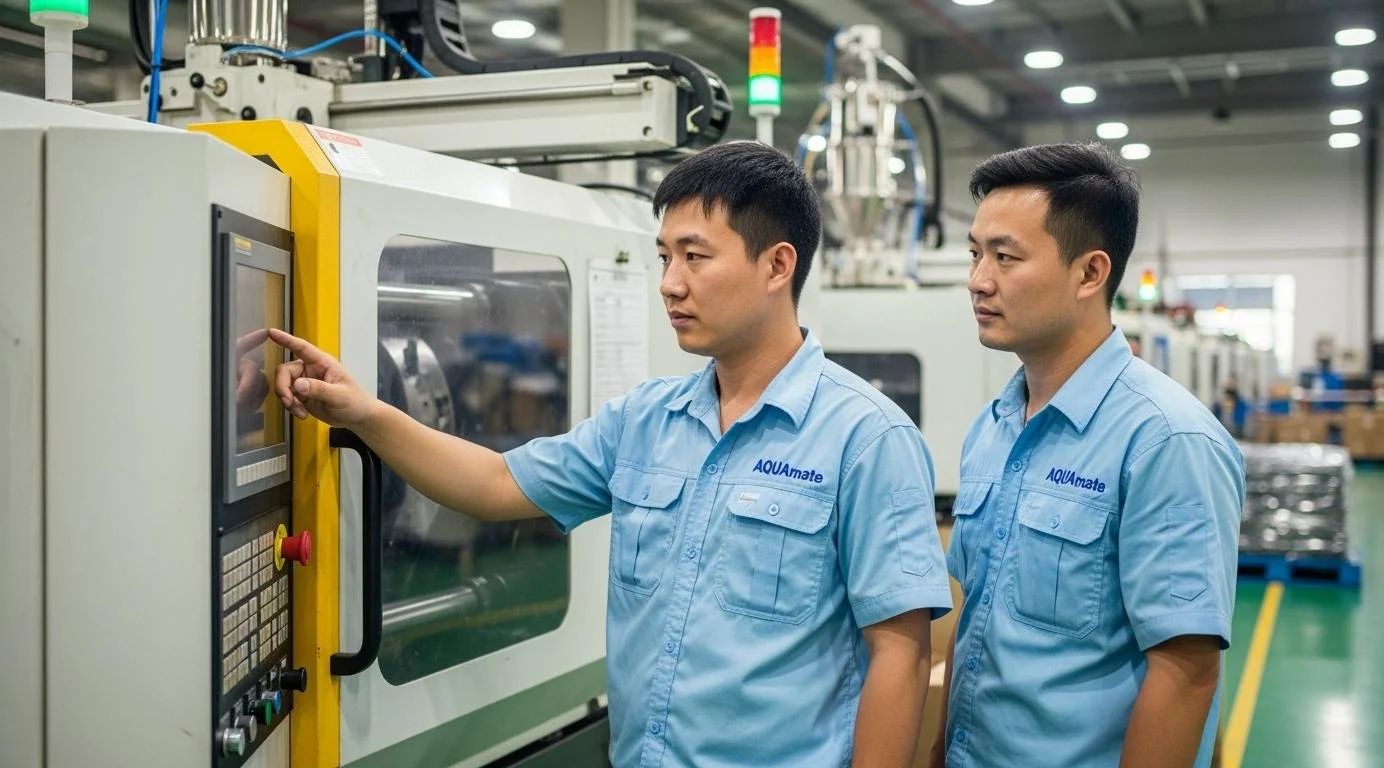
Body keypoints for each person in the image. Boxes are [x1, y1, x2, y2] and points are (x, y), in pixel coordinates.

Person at [270, 140, 953, 768]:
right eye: (664, 257)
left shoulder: (867, 438)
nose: (670, 283)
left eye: (695, 256)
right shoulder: (646, 421)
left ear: (777, 265)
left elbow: (899, 654)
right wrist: (365, 412)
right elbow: (495, 483)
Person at [930, 143, 1243, 768]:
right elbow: (974, 620)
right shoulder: (992, 429)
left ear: (1090, 273)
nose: (978, 280)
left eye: (1005, 257)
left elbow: (1186, 675)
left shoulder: (1166, 441)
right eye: (974, 253)